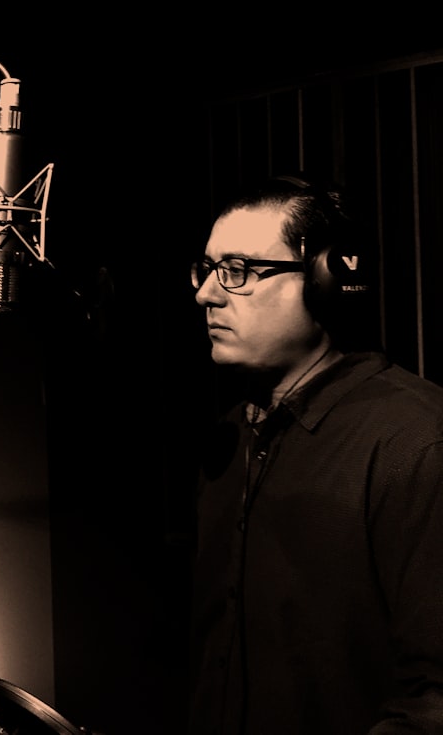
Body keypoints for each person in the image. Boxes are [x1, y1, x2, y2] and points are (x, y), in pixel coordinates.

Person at [186, 173, 443, 733]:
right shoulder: (231, 439)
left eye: (237, 271)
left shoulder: (417, 441)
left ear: (329, 279)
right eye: (205, 270)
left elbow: (435, 699)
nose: (206, 293)